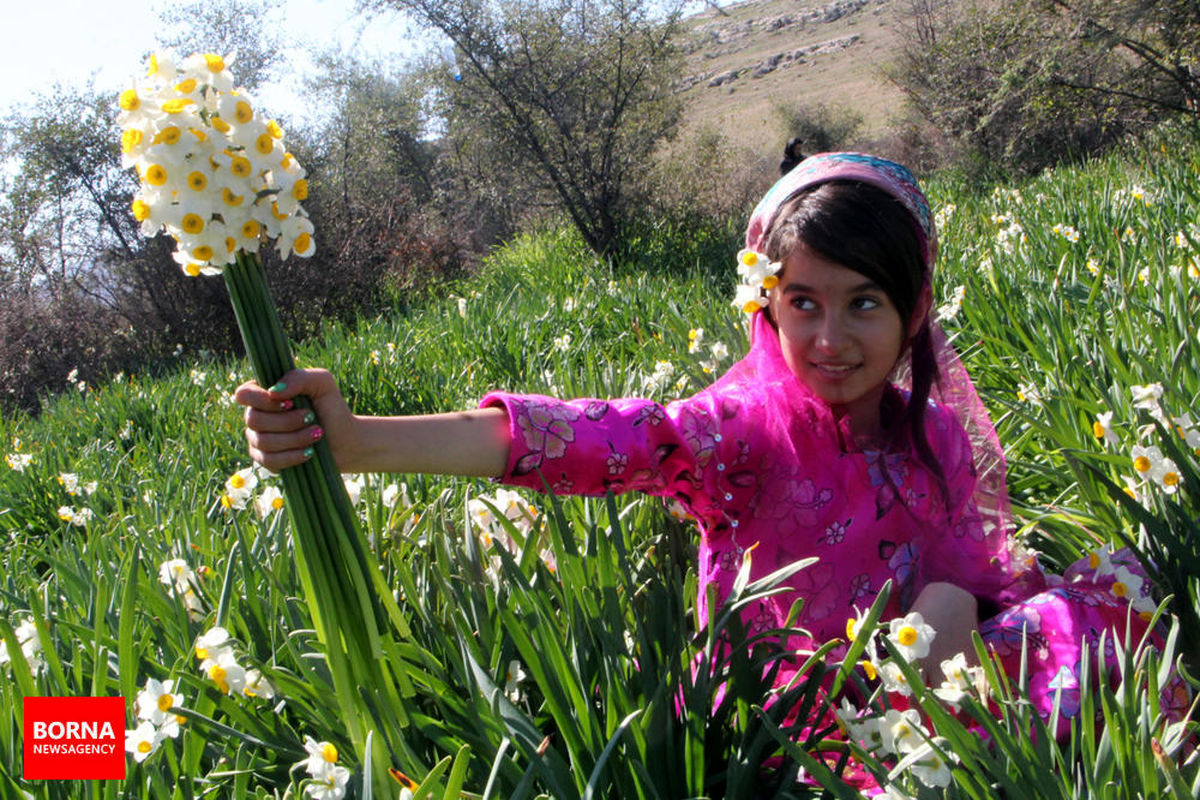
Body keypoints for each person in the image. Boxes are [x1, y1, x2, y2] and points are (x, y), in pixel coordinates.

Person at [236, 153, 1182, 753]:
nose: (831, 340)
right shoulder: (737, 436)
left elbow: (976, 575)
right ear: (764, 307)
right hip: (797, 718)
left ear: (914, 312)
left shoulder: (932, 432)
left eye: (865, 303)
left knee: (1113, 612)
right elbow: (585, 438)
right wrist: (357, 441)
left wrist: (952, 611)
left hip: (930, 677)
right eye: (803, 303)